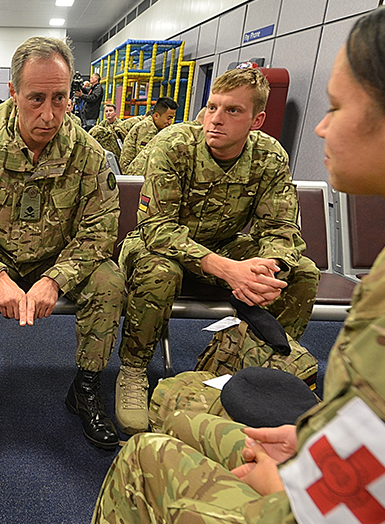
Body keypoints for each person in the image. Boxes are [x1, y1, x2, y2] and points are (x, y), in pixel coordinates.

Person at [89, 0, 385, 524]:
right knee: (151, 275)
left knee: (147, 455)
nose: (323, 125)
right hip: (183, 258)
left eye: (336, 107)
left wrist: (289, 482)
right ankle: (141, 368)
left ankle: (252, 364)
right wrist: (317, 449)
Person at [0, 36, 125, 449]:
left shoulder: (87, 153)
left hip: (56, 258)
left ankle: (86, 387)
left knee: (109, 281)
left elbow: (101, 228)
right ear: (13, 92)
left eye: (60, 98)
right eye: (36, 99)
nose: (49, 114)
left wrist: (56, 279)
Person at [114, 68, 319, 434]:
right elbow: (156, 229)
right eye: (211, 107)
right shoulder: (175, 144)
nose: (216, 120)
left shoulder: (269, 157)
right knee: (159, 272)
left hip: (223, 244)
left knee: (301, 272)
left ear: (257, 120)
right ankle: (133, 370)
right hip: (158, 247)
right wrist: (228, 270)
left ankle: (260, 370)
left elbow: (282, 230)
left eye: (232, 111)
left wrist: (266, 269)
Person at [119, 96, 178, 174]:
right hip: (130, 172)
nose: (170, 122)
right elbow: (144, 157)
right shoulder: (147, 127)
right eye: (168, 118)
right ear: (156, 116)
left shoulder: (156, 127)